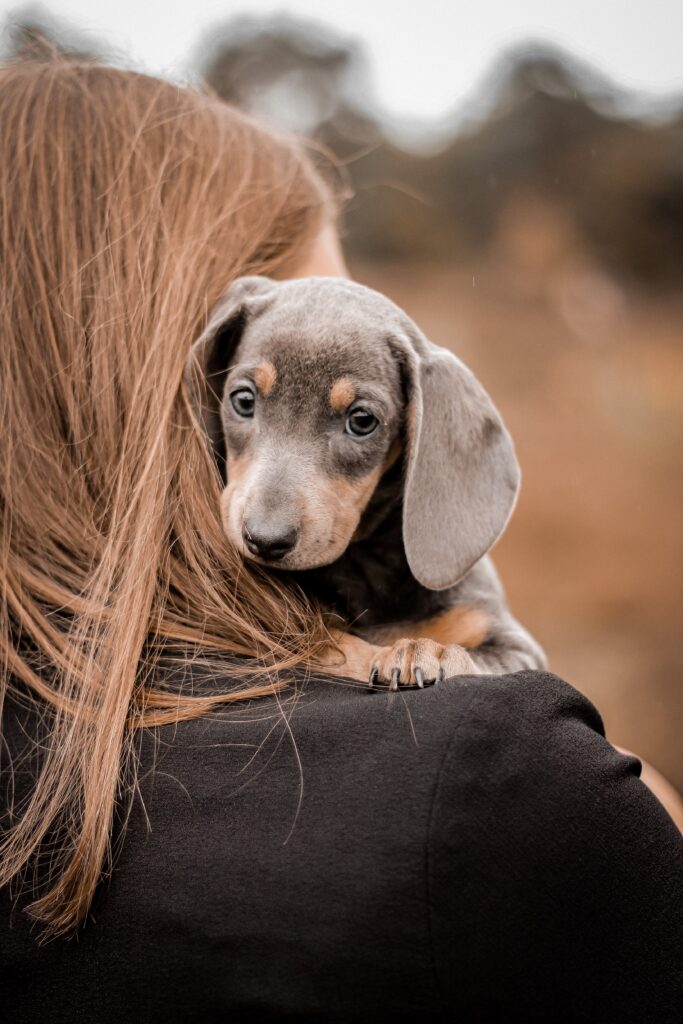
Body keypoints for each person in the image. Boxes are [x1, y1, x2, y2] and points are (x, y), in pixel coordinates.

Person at [0, 58, 680, 1023]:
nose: (268, 515)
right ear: (189, 375)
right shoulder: (519, 803)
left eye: (357, 424)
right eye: (244, 403)